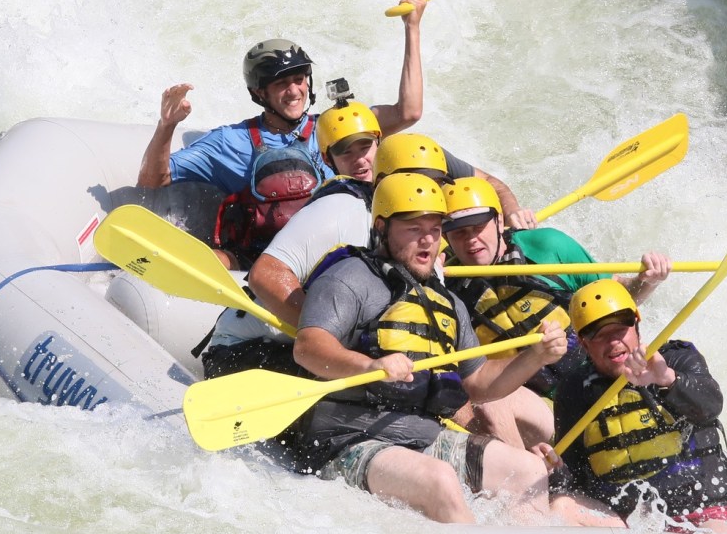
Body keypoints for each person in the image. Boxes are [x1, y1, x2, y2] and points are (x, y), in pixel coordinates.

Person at [290, 173, 587, 525]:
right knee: (440, 480)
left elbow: (479, 383)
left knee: (527, 469)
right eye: (414, 229)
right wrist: (368, 366)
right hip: (348, 439)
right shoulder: (349, 277)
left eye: (434, 229)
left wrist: (535, 356)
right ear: (382, 227)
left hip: (423, 435)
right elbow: (308, 347)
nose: (428, 240)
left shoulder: (446, 301)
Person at [205, 129, 529, 377]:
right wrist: (338, 343)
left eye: (437, 184)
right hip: (253, 348)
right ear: (385, 181)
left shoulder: (425, 241)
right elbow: (266, 274)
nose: (429, 193)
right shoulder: (342, 209)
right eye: (417, 182)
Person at [440, 176, 671, 446]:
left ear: (499, 222)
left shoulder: (547, 246)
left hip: (597, 380)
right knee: (489, 404)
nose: (471, 241)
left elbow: (620, 297)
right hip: (539, 408)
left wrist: (647, 280)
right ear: (445, 237)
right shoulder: (446, 289)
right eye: (459, 233)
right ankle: (534, 474)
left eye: (478, 227)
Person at [135, 0, 429, 194]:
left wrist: (412, 28)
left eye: (299, 79)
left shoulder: (336, 126)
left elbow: (409, 111)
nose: (294, 91)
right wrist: (167, 125)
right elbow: (152, 181)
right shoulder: (230, 142)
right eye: (281, 84)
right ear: (259, 93)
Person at [545, 279, 727, 533]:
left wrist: (666, 379)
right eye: (599, 335)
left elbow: (711, 405)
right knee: (561, 506)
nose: (614, 342)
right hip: (626, 521)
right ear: (584, 343)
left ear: (636, 325)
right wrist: (556, 467)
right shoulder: (574, 389)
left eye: (620, 330)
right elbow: (574, 474)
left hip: (701, 507)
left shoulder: (678, 358)